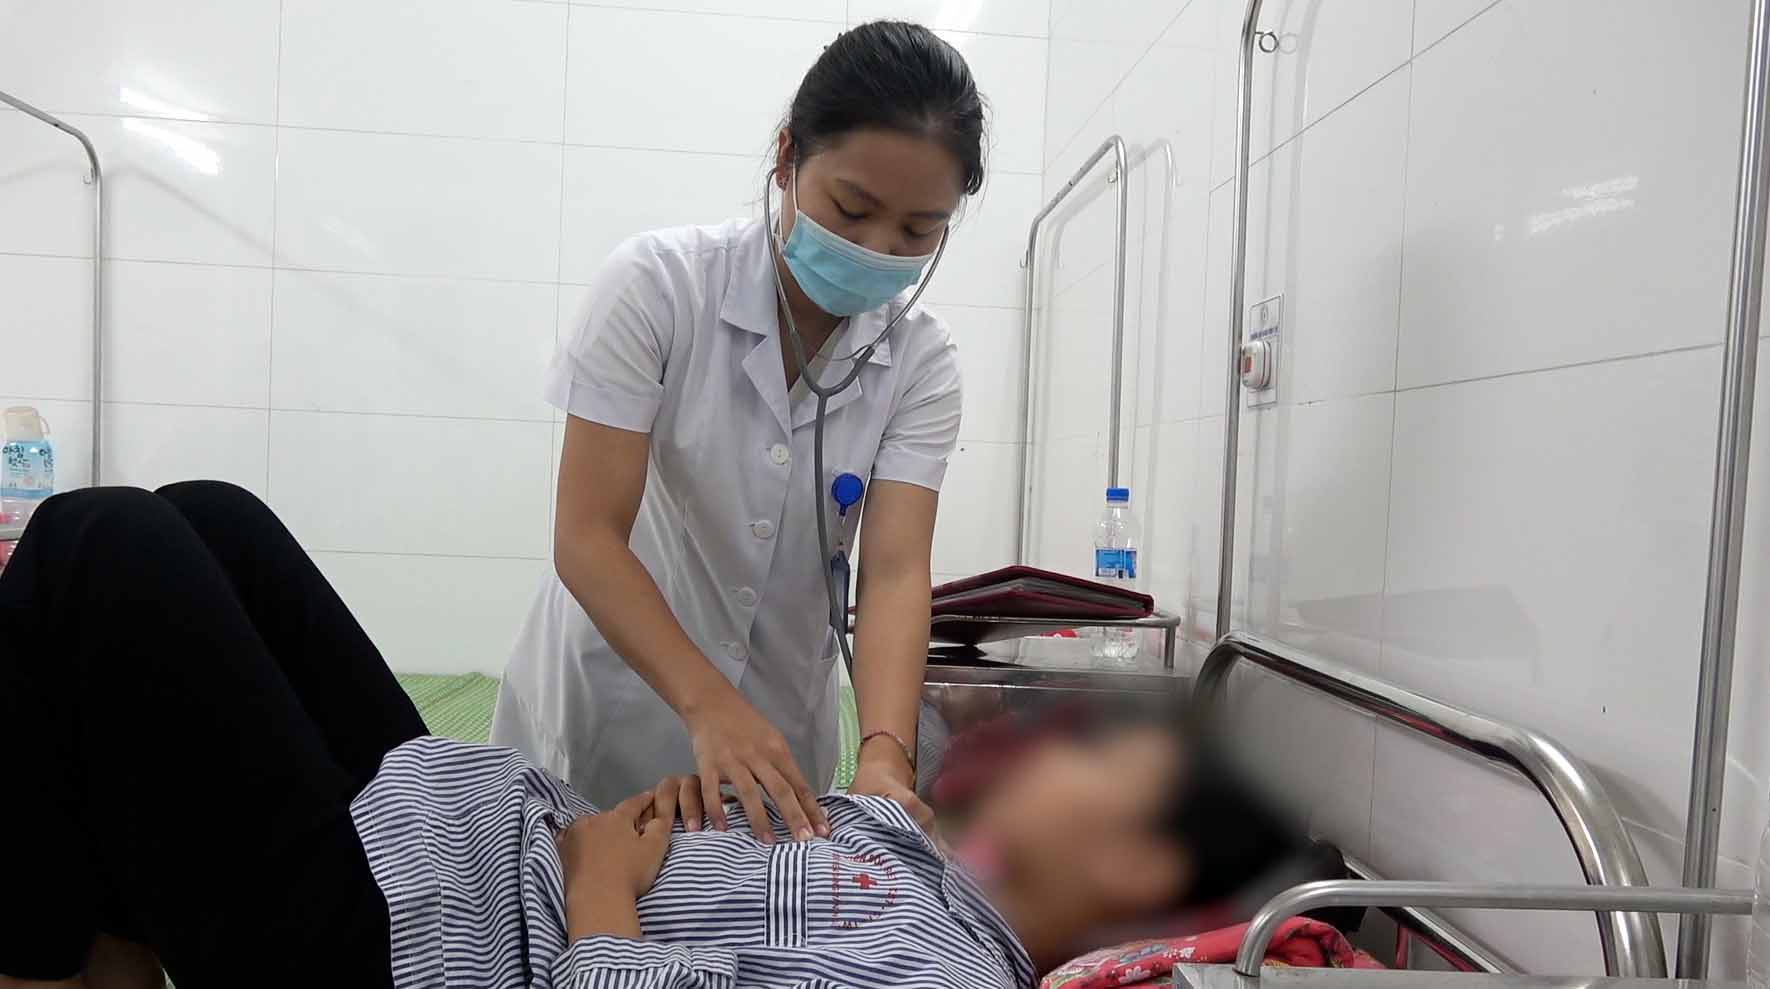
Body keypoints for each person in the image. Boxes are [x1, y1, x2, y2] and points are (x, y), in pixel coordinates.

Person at [0, 485, 1293, 989]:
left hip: (413, 948)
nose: (1045, 752)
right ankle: (110, 936)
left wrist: (611, 893)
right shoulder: (927, 865)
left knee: (102, 550)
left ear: (1135, 865)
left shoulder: (941, 976)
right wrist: (703, 829)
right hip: (476, 835)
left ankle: (49, 959)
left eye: (1091, 759)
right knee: (213, 521)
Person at [493, 20, 986, 838]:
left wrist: (885, 753)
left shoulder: (921, 361)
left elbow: (895, 571)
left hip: (778, 742)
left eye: (917, 230)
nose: (876, 249)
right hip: (609, 711)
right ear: (787, 157)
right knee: (573, 900)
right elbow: (587, 535)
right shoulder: (658, 288)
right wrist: (708, 702)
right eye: (852, 208)